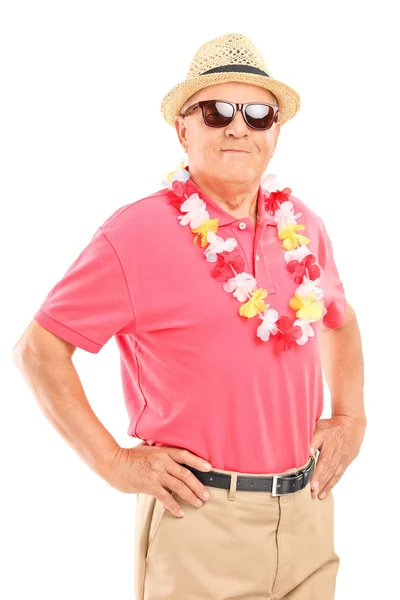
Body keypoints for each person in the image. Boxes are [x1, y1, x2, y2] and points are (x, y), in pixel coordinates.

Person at [13, 32, 366, 599]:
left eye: (257, 114)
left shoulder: (302, 223)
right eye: (217, 110)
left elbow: (340, 321)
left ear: (275, 132)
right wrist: (112, 462)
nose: (237, 127)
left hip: (309, 513)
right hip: (202, 517)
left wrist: (351, 418)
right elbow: (39, 349)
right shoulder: (136, 233)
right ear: (183, 127)